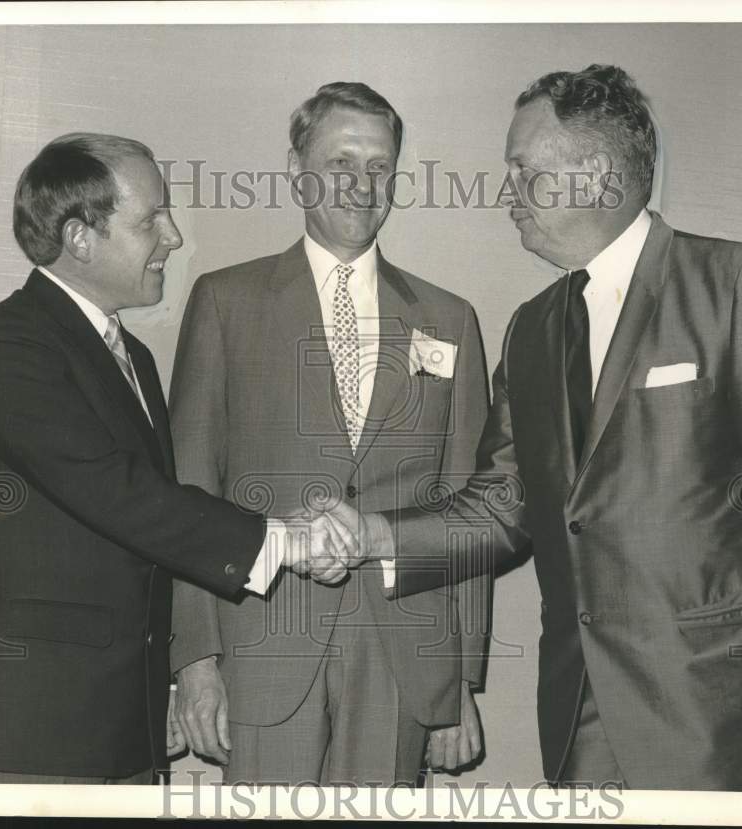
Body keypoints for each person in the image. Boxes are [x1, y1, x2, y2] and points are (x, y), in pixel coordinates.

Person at [345, 65, 742, 791]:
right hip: (579, 718)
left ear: (601, 177)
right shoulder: (532, 329)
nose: (506, 193)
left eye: (524, 170)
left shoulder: (738, 283)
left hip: (719, 721)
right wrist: (375, 535)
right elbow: (503, 503)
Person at [0, 133, 350, 785]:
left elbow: (139, 533)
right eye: (151, 217)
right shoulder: (7, 342)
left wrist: (174, 680)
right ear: (79, 237)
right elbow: (119, 495)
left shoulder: (135, 359)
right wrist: (284, 538)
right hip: (32, 737)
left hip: (122, 733)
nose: (174, 236)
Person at [168, 82, 490, 786]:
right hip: (261, 646)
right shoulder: (227, 303)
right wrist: (194, 661)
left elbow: (470, 503)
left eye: (380, 167)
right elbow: (186, 493)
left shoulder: (450, 319)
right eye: (341, 162)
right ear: (296, 169)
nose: (362, 184)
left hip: (404, 655)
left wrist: (460, 678)